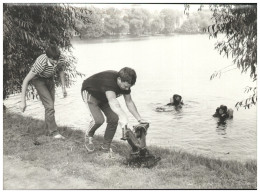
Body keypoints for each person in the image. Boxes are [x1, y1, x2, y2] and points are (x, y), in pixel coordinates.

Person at [81, 67, 147, 152]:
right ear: (119, 79)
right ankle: (88, 136)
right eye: (126, 86)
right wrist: (123, 116)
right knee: (98, 120)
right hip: (90, 93)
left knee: (114, 118)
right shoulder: (109, 83)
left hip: (104, 97)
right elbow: (112, 100)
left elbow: (129, 102)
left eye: (129, 87)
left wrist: (139, 119)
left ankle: (105, 146)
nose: (127, 89)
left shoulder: (126, 84)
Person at [20, 44, 67, 139]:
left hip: (50, 78)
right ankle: (54, 133)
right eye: (53, 60)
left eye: (57, 59)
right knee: (50, 106)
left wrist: (63, 87)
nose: (56, 62)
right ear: (48, 57)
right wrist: (23, 101)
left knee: (49, 106)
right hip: (38, 80)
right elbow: (25, 81)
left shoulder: (59, 58)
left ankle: (48, 131)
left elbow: (61, 70)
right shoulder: (41, 62)